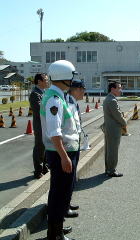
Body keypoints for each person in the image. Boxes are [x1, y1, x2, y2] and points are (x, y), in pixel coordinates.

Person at [40, 60, 79, 240]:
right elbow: (54, 132)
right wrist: (64, 157)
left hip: (63, 151)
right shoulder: (54, 100)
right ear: (65, 78)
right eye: (71, 77)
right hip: (60, 153)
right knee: (59, 194)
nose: (73, 81)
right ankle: (54, 235)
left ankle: (57, 229)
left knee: (61, 193)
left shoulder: (57, 95)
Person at [65, 79, 86, 218]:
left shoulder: (72, 101)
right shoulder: (68, 101)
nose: (84, 92)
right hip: (68, 145)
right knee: (66, 179)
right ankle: (64, 206)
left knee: (70, 179)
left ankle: (67, 202)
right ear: (76, 89)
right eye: (82, 89)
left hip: (74, 143)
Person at [103, 81, 127, 177]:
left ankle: (108, 169)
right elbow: (117, 115)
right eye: (119, 88)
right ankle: (111, 170)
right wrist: (124, 122)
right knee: (113, 150)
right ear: (113, 89)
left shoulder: (108, 98)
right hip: (113, 128)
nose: (121, 90)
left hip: (109, 127)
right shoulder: (112, 100)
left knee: (109, 149)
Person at [29, 73, 49, 179]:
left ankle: (45, 167)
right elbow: (38, 110)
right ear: (39, 81)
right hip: (40, 124)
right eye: (45, 80)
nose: (47, 82)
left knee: (45, 146)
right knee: (39, 147)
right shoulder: (35, 94)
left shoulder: (44, 92)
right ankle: (38, 170)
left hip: (46, 124)